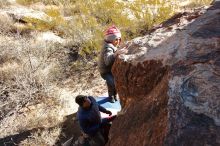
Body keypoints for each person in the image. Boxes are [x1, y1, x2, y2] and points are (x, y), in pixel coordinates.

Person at [98, 25, 127, 103]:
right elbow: (107, 61)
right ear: (110, 40)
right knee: (114, 83)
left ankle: (114, 96)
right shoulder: (108, 48)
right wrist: (116, 53)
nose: (118, 41)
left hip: (110, 69)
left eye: (119, 39)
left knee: (112, 83)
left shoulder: (112, 45)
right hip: (105, 71)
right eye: (116, 39)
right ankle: (111, 97)